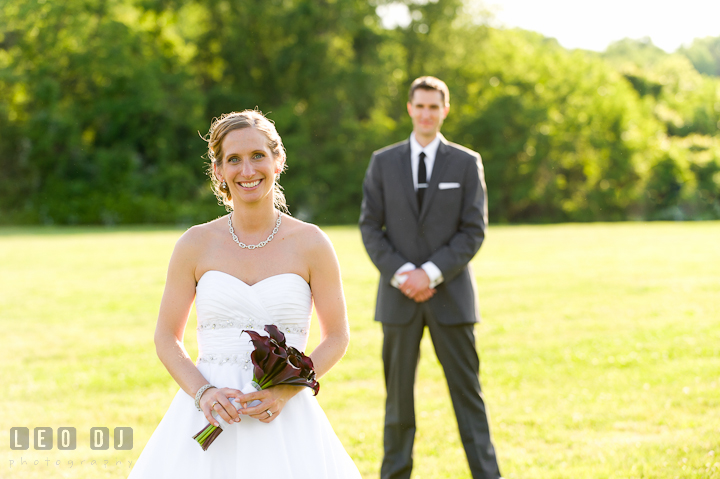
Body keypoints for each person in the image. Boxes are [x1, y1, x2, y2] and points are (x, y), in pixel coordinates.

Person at [128, 110, 361, 479]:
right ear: (218, 171)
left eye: (258, 156)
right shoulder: (195, 243)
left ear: (278, 161)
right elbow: (166, 337)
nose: (247, 170)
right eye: (233, 160)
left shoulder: (312, 243)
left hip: (285, 418)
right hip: (211, 411)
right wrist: (203, 393)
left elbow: (337, 337)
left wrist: (285, 391)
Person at [359, 77, 502, 479]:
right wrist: (406, 274)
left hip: (451, 298)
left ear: (445, 110)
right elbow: (370, 227)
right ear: (409, 108)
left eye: (433, 107)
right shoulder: (382, 162)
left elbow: (474, 229)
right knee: (397, 403)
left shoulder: (465, 161)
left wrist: (431, 274)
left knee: (468, 399)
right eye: (419, 106)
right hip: (398, 299)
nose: (426, 114)